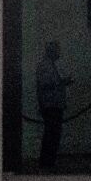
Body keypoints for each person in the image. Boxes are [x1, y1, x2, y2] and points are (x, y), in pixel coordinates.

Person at [32, 38, 72, 170]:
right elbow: (45, 84)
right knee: (51, 133)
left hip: (54, 103)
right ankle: (47, 161)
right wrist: (61, 83)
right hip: (50, 104)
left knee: (53, 133)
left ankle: (49, 161)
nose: (59, 53)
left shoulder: (50, 66)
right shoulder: (45, 66)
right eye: (57, 50)